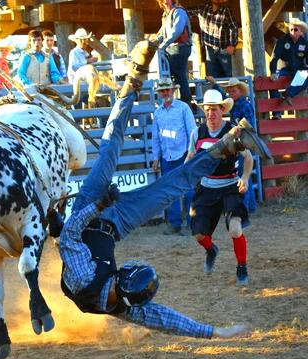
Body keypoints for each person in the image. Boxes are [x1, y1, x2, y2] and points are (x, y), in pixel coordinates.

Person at [57, 39, 270, 337]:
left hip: (88, 211)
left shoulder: (84, 279)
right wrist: (213, 332)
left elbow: (68, 237)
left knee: (110, 150)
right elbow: (165, 319)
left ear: (121, 283)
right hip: (116, 225)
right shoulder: (126, 304)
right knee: (173, 187)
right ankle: (230, 143)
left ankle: (132, 82)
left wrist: (99, 206)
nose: (126, 266)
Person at [185, 89, 257, 286]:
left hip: (229, 185)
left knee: (235, 229)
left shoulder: (233, 131)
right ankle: (211, 249)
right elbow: (190, 159)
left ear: (222, 110)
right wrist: (184, 175)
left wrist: (245, 177)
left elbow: (248, 158)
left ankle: (241, 266)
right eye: (207, 110)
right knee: (199, 234)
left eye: (214, 110)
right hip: (206, 187)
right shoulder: (196, 133)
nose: (210, 114)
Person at [151, 77, 196, 235]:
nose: (165, 93)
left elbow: (192, 131)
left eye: (167, 90)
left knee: (189, 189)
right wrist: (156, 157)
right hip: (167, 156)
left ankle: (193, 223)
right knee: (170, 191)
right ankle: (175, 223)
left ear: (172, 90)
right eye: (162, 90)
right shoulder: (158, 113)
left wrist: (191, 152)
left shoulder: (183, 108)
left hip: (184, 154)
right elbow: (156, 137)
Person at [206, 76, 257, 213]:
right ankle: (250, 205)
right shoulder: (236, 103)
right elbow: (223, 98)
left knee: (242, 174)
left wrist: (241, 134)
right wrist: (215, 84)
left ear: (240, 91)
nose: (231, 94)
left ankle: (245, 206)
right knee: (244, 173)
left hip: (244, 142)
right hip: (238, 142)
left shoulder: (245, 105)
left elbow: (250, 126)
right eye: (230, 92)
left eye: (234, 91)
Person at [188, 0, 238, 78]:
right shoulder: (202, 8)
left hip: (223, 48)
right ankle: (216, 90)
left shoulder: (225, 10)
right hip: (209, 48)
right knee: (213, 76)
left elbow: (233, 27)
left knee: (228, 74)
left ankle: (228, 90)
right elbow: (185, 12)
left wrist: (232, 44)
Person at [156, 0, 193, 104]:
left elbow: (177, 30)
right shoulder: (166, 15)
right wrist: (152, 43)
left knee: (178, 73)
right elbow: (162, 34)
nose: (165, 1)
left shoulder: (179, 12)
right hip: (172, 48)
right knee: (174, 73)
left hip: (180, 47)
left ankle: (186, 101)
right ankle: (181, 100)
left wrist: (162, 45)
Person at [269, 18, 308, 109]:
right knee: (272, 82)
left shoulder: (304, 43)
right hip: (283, 70)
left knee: (305, 76)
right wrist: (273, 72)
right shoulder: (282, 40)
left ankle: (288, 93)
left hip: (298, 69)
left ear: (301, 32)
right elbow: (275, 57)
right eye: (291, 29)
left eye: (295, 30)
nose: (292, 32)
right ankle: (276, 113)